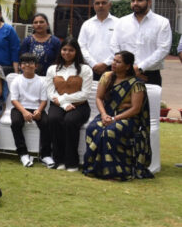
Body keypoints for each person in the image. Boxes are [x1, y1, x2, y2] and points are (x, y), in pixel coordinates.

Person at [82, 51, 153, 180]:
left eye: (118, 62)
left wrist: (115, 119)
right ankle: (95, 168)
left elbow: (136, 109)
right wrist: (104, 115)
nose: (113, 64)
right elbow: (99, 98)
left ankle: (114, 171)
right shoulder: (106, 76)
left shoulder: (136, 84)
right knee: (92, 128)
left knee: (109, 132)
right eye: (113, 60)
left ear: (128, 66)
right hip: (107, 114)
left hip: (128, 118)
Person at [46, 37, 93, 171]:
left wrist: (64, 99)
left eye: (71, 50)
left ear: (76, 51)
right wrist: (63, 104)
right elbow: (50, 92)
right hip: (58, 104)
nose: (67, 53)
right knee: (53, 119)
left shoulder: (85, 69)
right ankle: (58, 160)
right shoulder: (53, 69)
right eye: (64, 49)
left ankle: (72, 162)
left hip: (80, 105)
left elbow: (85, 94)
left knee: (70, 121)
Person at [110, 0, 172, 86]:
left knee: (150, 97)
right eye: (133, 0)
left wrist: (140, 68)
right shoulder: (121, 22)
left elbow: (163, 49)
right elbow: (114, 45)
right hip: (123, 73)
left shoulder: (162, 22)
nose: (135, 3)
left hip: (149, 75)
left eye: (139, 0)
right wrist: (127, 67)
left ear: (149, 2)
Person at [10, 53, 52, 168]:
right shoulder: (16, 80)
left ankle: (45, 155)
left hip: (36, 108)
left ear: (36, 66)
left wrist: (39, 111)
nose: (27, 65)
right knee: (16, 123)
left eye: (31, 63)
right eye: (24, 63)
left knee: (46, 123)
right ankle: (23, 154)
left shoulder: (42, 81)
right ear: (20, 66)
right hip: (20, 108)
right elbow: (14, 100)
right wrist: (24, 112)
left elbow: (44, 100)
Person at [78, 0, 118, 81]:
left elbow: (120, 46)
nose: (100, 5)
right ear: (93, 5)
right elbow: (82, 46)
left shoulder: (118, 23)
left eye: (104, 3)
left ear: (109, 4)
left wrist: (106, 63)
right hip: (90, 68)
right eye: (97, 3)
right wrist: (93, 64)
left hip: (112, 68)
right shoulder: (87, 24)